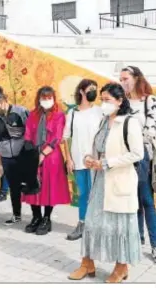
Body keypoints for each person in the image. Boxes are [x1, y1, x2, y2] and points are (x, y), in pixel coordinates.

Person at [69, 83, 143, 283]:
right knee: (91, 222)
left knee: (119, 227)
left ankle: (121, 268)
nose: (103, 103)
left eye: (108, 100)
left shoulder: (129, 122)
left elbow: (137, 154)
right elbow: (99, 147)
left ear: (120, 101)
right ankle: (87, 263)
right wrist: (89, 157)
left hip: (119, 180)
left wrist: (107, 163)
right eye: (102, 99)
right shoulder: (103, 121)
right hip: (100, 180)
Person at [21, 86, 70, 235]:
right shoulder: (33, 114)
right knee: (32, 187)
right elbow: (28, 134)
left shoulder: (59, 115)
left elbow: (56, 137)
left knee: (49, 188)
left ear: (53, 98)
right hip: (33, 154)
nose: (47, 101)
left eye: (49, 98)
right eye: (44, 98)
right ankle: (36, 217)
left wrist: (42, 154)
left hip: (51, 157)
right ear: (39, 99)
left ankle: (47, 219)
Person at [120, 65, 156, 261]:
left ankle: (154, 244)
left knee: (146, 200)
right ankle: (138, 239)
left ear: (136, 78)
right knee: (132, 201)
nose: (123, 82)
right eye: (121, 79)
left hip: (141, 155)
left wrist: (133, 141)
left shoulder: (149, 101)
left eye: (126, 78)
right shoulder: (122, 102)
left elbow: (152, 130)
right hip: (124, 156)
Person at [63, 79, 103, 241]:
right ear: (81, 91)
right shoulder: (72, 113)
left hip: (96, 161)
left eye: (95, 89)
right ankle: (82, 224)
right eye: (90, 89)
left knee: (97, 194)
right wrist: (68, 159)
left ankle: (97, 226)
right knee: (83, 193)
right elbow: (65, 137)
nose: (93, 91)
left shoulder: (100, 111)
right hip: (79, 160)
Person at [0, 87, 29, 225]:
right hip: (6, 157)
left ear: (4, 101)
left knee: (30, 185)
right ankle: (16, 215)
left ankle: (37, 216)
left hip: (23, 155)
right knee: (13, 187)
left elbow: (32, 131)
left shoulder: (21, 111)